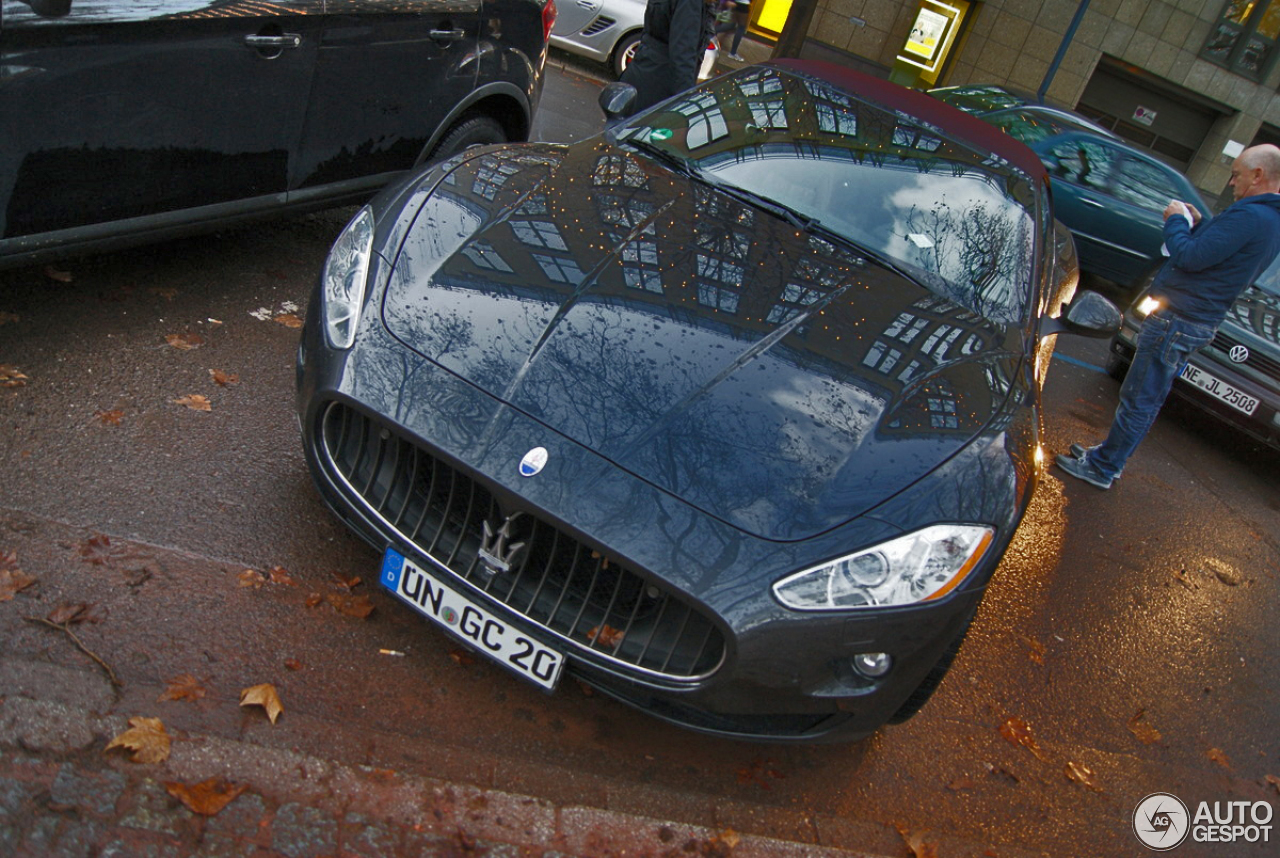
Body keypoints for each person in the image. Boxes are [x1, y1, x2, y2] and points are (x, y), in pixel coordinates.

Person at [1056, 143, 1280, 490]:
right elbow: (1224, 256)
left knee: (1140, 398)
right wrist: (1201, 222)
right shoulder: (1269, 220)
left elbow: (1189, 256)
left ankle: (1103, 468)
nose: (1231, 183)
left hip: (1178, 318)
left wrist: (1175, 220)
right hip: (1195, 318)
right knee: (1145, 396)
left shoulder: (1249, 215)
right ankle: (1106, 458)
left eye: (1236, 175)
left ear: (1258, 174)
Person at [619, 0, 716, 114]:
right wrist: (686, 105)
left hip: (643, 73)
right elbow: (683, 55)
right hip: (660, 88)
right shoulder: (690, 3)